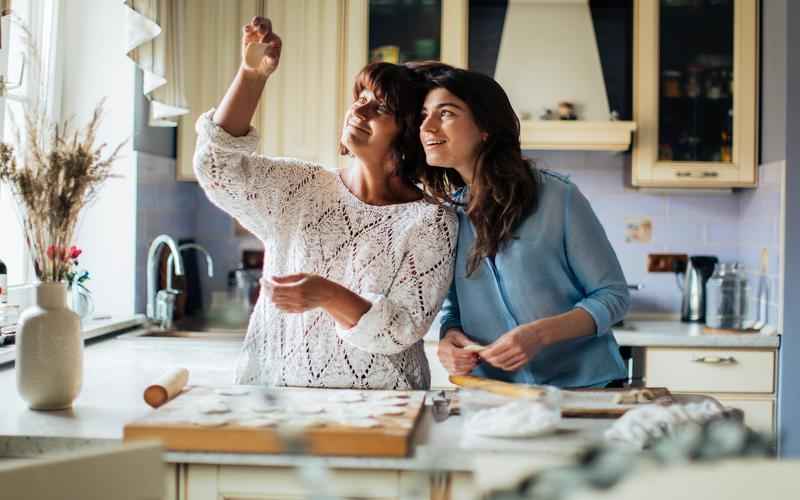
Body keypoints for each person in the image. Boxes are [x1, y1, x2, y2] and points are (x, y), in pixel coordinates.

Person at [193, 18, 457, 389]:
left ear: (410, 134)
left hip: (383, 411)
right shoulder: (301, 187)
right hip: (275, 397)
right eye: (360, 99)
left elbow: (401, 329)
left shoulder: (431, 221)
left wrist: (327, 294)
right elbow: (216, 167)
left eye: (380, 109)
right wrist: (252, 78)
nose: (359, 111)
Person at [413, 63, 629, 388]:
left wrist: (539, 334)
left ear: (485, 126)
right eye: (423, 115)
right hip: (495, 395)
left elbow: (612, 296)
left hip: (586, 391)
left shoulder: (558, 196)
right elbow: (453, 308)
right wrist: (449, 338)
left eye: (446, 113)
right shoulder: (445, 215)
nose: (427, 127)